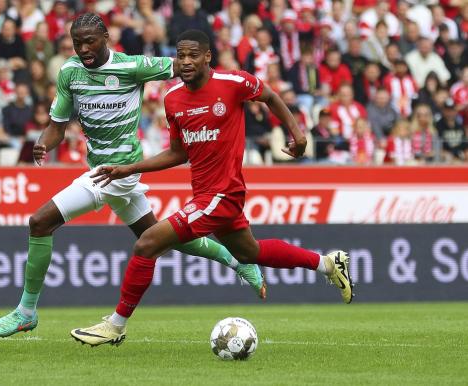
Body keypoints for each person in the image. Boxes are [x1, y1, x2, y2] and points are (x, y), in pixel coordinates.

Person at [0, 14, 265, 338]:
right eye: (78, 43)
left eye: (90, 41)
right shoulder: (69, 72)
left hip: (117, 173)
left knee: (40, 222)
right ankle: (237, 261)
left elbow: (188, 66)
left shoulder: (133, 66)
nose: (84, 48)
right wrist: (43, 144)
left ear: (106, 37)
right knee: (162, 238)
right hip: (103, 171)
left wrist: (224, 94)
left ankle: (26, 312)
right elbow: (57, 127)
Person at [72, 29, 354, 347]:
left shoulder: (234, 84)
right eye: (181, 55)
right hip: (206, 195)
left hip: (223, 194)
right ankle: (329, 264)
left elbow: (272, 97)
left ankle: (115, 325)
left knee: (147, 243)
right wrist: (129, 168)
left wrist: (297, 134)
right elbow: (178, 152)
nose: (186, 61)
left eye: (194, 55)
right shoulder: (173, 99)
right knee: (251, 251)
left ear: (208, 56)